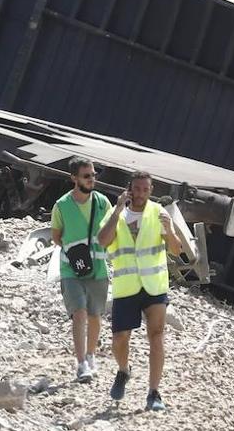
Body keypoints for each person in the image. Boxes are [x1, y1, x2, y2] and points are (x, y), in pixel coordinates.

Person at [96, 170, 182, 411]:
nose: (141, 193)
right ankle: (124, 370)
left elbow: (176, 250)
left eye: (146, 189)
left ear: (151, 191)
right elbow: (102, 240)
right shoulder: (118, 214)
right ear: (129, 189)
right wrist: (116, 211)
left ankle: (154, 392)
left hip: (154, 285)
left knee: (156, 336)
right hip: (127, 286)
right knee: (120, 338)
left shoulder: (159, 213)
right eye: (137, 189)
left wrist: (172, 231)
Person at [51, 158, 110, 385]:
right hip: (71, 269)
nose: (92, 179)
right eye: (87, 176)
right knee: (79, 313)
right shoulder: (62, 205)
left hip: (98, 269)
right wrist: (75, 251)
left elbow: (112, 230)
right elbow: (57, 237)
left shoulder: (103, 202)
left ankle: (91, 355)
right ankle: (81, 364)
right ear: (74, 178)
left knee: (95, 315)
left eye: (94, 175)